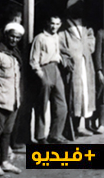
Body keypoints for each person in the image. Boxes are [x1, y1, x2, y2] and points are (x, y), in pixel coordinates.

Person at [0, 22, 24, 176]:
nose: (14, 40)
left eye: (17, 37)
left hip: (13, 101)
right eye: (12, 36)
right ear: (6, 36)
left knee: (7, 133)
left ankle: (5, 162)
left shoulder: (15, 56)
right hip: (0, 101)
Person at [59, 0, 96, 137]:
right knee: (73, 96)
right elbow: (60, 45)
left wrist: (85, 49)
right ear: (70, 9)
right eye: (77, 7)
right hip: (73, 68)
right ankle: (70, 128)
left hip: (85, 66)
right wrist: (69, 57)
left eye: (81, 7)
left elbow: (91, 41)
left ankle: (79, 126)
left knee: (84, 97)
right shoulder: (63, 27)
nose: (80, 10)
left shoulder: (86, 26)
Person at [30, 15, 68, 144]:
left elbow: (58, 53)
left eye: (57, 24)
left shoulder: (57, 37)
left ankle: (55, 135)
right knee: (42, 105)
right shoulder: (40, 38)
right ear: (47, 23)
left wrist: (63, 60)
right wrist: (41, 75)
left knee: (62, 105)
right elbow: (33, 60)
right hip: (44, 69)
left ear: (60, 24)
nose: (54, 27)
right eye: (52, 23)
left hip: (56, 69)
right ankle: (40, 137)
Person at [90, 28, 104, 132]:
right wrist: (99, 70)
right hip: (103, 69)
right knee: (102, 97)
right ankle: (101, 123)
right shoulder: (101, 33)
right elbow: (98, 53)